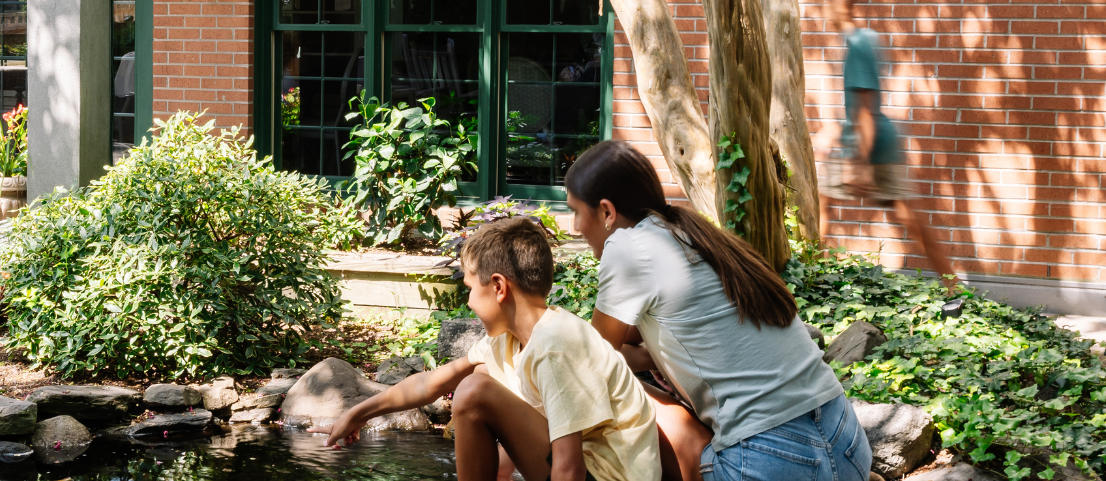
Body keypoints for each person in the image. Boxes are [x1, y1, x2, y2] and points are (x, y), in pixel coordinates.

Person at [566, 140, 870, 481]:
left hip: (771, 459)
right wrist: (647, 358)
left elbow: (593, 362)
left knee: (630, 392)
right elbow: (637, 340)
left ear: (606, 212)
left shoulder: (627, 247)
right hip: (848, 443)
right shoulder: (690, 233)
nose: (575, 226)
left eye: (576, 211)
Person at [315, 217, 661, 481]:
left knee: (477, 390)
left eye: (469, 287)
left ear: (498, 287)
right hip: (581, 469)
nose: (467, 300)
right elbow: (430, 383)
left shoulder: (557, 345)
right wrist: (356, 413)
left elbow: (568, 469)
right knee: (478, 380)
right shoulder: (510, 338)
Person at [814, 0, 958, 289]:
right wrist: (833, 133)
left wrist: (861, 164)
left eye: (824, 3)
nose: (821, 10)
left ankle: (954, 288)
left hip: (871, 147)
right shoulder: (860, 40)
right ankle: (953, 286)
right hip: (866, 143)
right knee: (822, 201)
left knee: (911, 222)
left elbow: (865, 107)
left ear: (840, 4)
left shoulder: (859, 43)